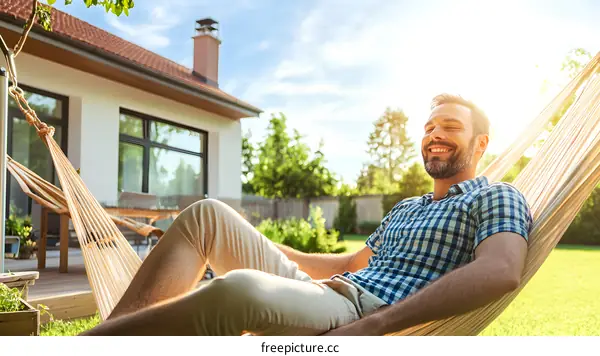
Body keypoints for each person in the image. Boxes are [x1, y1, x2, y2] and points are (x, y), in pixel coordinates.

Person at [80, 93, 533, 336]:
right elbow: (347, 266)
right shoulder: (408, 207)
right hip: (326, 291)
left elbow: (501, 269)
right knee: (207, 216)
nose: (435, 134)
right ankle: (111, 338)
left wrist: (376, 326)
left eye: (451, 127)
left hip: (356, 312)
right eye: (429, 127)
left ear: (480, 144)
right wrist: (256, 244)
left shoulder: (495, 197)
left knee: (237, 290)